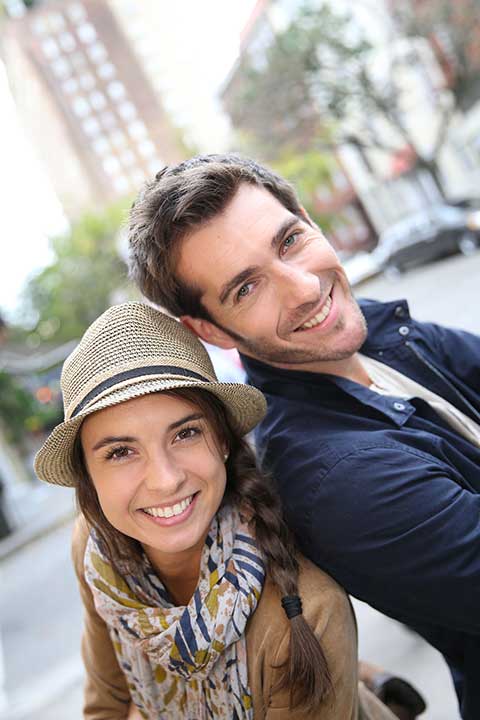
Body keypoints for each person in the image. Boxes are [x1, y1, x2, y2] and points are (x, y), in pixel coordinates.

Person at [127, 154, 480, 720]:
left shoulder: (377, 334)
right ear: (210, 329)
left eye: (289, 241)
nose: (306, 288)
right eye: (247, 288)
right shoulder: (339, 478)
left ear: (310, 221)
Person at [34, 302, 406, 720]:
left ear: (223, 441)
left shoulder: (309, 613)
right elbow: (106, 703)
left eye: (185, 434)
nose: (165, 480)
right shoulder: (97, 550)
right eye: (121, 452)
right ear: (88, 476)